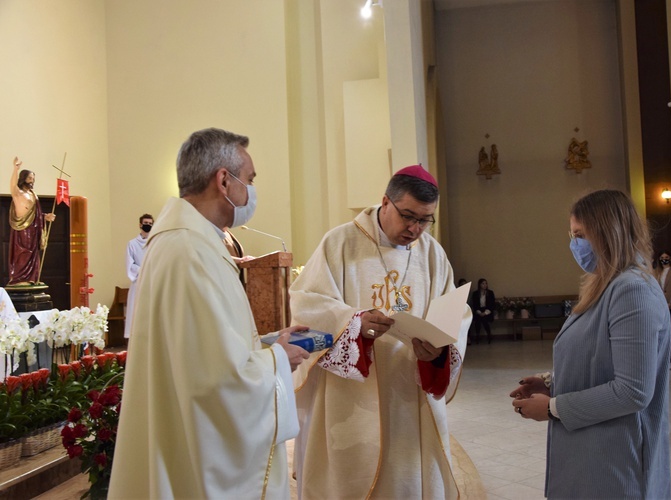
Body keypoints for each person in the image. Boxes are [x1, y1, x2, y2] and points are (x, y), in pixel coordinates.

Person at [109, 128, 310, 499]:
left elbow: (203, 347)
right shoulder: (188, 250)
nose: (250, 191)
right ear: (223, 180)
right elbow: (214, 380)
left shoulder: (194, 240)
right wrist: (278, 360)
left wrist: (268, 344)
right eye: (248, 180)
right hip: (200, 464)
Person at [289, 165, 472, 499]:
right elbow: (305, 304)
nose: (415, 229)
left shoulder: (432, 253)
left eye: (425, 219)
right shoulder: (341, 242)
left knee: (408, 479)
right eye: (408, 216)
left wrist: (441, 348)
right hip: (351, 396)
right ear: (385, 202)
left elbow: (456, 313)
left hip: (409, 391)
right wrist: (354, 322)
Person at [509, 189, 671, 499]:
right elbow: (601, 361)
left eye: (581, 235)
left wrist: (553, 408)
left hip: (614, 458)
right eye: (572, 235)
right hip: (591, 449)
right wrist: (551, 383)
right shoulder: (606, 284)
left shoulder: (631, 290)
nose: (575, 245)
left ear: (608, 231)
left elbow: (632, 390)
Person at [8, 157, 55, 285]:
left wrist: (45, 216)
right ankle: (20, 278)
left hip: (33, 229)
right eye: (29, 178)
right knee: (22, 253)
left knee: (33, 254)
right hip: (22, 228)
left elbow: (36, 214)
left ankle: (31, 278)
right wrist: (15, 169)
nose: (32, 181)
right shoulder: (18, 193)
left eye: (33, 179)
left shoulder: (33, 194)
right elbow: (12, 185)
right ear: (23, 178)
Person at [123, 213, 153, 339]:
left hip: (152, 282)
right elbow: (130, 265)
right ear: (140, 225)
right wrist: (144, 270)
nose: (148, 226)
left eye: (151, 224)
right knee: (136, 313)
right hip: (139, 282)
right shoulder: (132, 244)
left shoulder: (155, 242)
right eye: (146, 223)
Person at [470, 278, 496, 344]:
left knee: (484, 320)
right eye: (483, 283)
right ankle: (478, 335)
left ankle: (489, 335)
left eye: (486, 283)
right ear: (479, 285)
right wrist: (479, 312)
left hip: (487, 311)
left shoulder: (490, 293)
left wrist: (485, 313)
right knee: (478, 321)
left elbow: (492, 305)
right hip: (478, 311)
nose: (485, 285)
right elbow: (475, 305)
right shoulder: (475, 294)